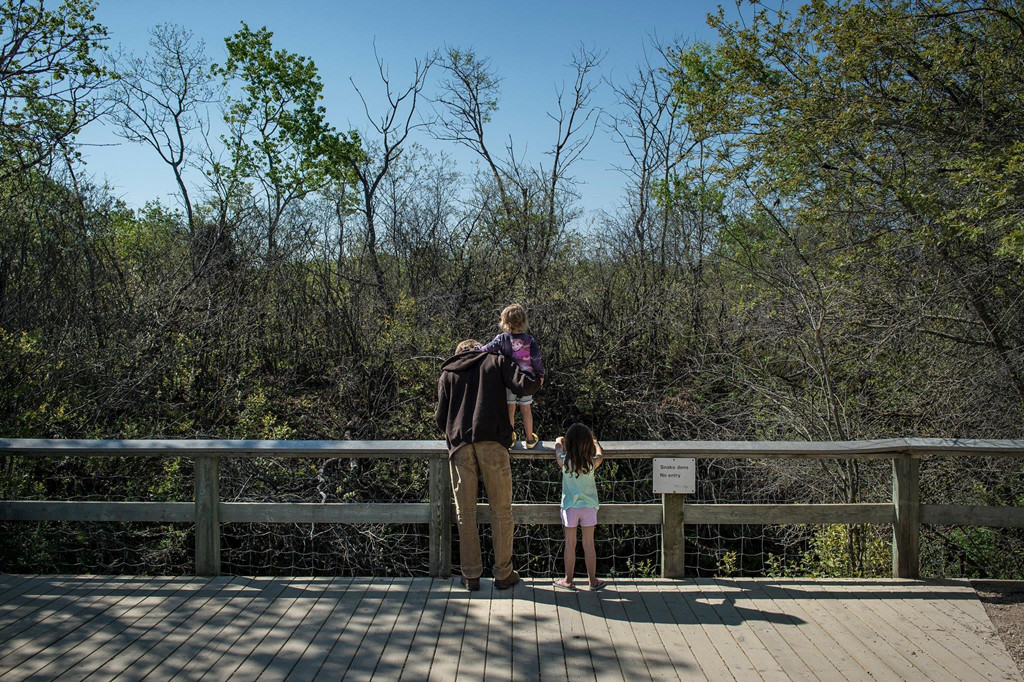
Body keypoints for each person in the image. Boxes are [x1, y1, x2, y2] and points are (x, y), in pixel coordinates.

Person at [436, 338, 541, 591]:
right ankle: (503, 573)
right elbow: (522, 386)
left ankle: (471, 575)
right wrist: (538, 378)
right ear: (480, 348)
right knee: (502, 511)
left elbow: (441, 418)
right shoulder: (496, 360)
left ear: (458, 352)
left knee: (465, 513)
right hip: (493, 442)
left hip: (461, 445)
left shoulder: (448, 372)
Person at [477, 304, 545, 448]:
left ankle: (510, 438)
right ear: (523, 321)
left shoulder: (501, 339)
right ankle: (530, 439)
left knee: (510, 409)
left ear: (504, 322)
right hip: (526, 380)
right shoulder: (530, 340)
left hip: (508, 381)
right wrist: (540, 374)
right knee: (526, 408)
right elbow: (536, 360)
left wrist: (474, 348)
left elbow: (486, 349)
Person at [554, 423, 605, 590]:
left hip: (570, 507)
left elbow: (558, 447)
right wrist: (596, 442)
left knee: (570, 544)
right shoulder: (591, 464)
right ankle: (592, 580)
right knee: (589, 544)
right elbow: (600, 455)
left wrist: (560, 440)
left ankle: (568, 580)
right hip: (589, 507)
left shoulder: (564, 462)